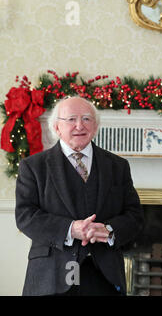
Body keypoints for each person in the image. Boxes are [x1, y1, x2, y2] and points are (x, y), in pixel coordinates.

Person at [15, 96, 144, 296]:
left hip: (104, 275)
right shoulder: (33, 167)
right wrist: (71, 229)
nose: (79, 125)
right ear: (57, 127)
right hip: (51, 275)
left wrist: (108, 230)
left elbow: (135, 216)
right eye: (71, 119)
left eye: (86, 119)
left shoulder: (118, 166)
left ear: (95, 126)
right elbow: (25, 216)